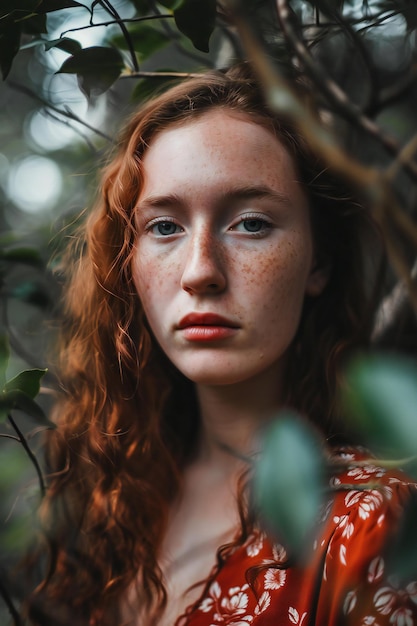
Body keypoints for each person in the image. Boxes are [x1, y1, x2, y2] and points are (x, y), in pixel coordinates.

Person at [25, 63, 417, 626]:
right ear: (127, 260)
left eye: (252, 223)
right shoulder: (115, 507)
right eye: (164, 227)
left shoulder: (371, 521)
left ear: (319, 261)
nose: (201, 271)